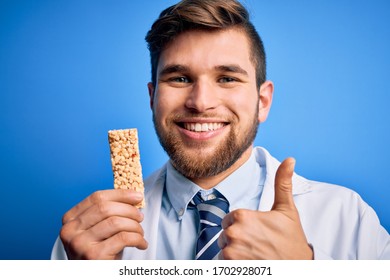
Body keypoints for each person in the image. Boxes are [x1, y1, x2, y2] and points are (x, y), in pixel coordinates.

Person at [51, 0, 390, 260]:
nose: (201, 102)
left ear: (263, 101)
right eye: (180, 78)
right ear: (153, 97)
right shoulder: (94, 236)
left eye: (227, 78)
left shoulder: (347, 216)